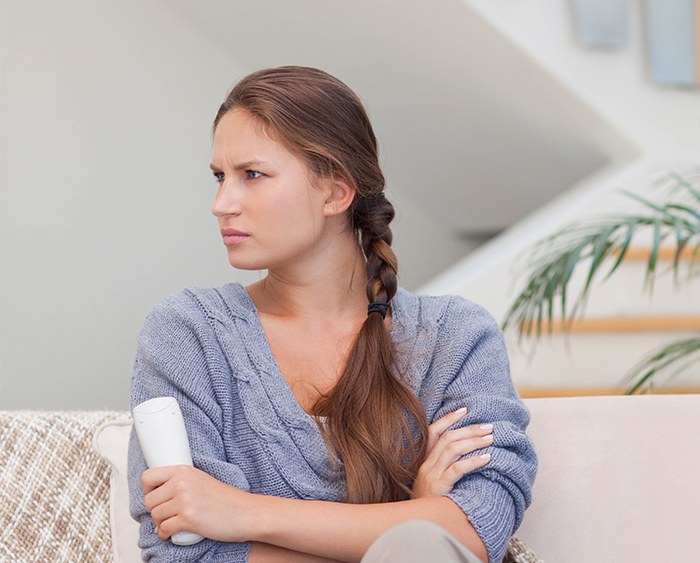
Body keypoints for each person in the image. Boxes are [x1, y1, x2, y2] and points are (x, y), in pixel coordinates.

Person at [127, 66, 537, 563]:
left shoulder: (457, 337)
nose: (222, 203)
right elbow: (184, 554)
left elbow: (478, 527)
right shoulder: (187, 335)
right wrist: (414, 517)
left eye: (251, 175)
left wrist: (246, 514)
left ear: (335, 193)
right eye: (220, 177)